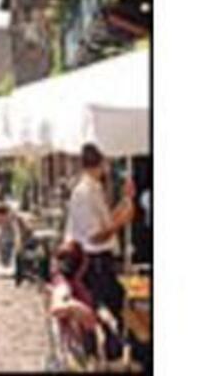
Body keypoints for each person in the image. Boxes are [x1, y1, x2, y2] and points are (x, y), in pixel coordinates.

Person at [64, 143, 135, 343]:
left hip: (101, 261)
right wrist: (122, 222)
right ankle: (110, 350)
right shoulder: (85, 192)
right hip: (95, 262)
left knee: (118, 303)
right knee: (111, 307)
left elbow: (105, 222)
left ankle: (115, 347)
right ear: (102, 162)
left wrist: (125, 201)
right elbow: (95, 236)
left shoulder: (94, 188)